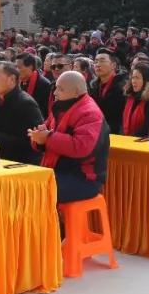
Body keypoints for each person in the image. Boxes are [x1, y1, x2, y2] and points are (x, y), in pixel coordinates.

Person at [29, 71, 110, 204]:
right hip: (58, 170)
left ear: (76, 92)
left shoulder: (89, 113)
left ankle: (56, 225)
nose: (55, 93)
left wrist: (48, 138)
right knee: (22, 184)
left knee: (34, 192)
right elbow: (46, 133)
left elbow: (82, 147)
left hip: (83, 178)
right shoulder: (61, 106)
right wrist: (38, 138)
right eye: (55, 88)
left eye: (60, 89)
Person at [120, 62, 149, 136]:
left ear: (146, 80)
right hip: (128, 141)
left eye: (137, 78)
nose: (134, 81)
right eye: (133, 77)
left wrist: (131, 139)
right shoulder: (130, 97)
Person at [89, 51, 127, 134]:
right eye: (96, 61)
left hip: (115, 133)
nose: (97, 64)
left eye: (102, 61)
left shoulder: (123, 87)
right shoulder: (93, 86)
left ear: (113, 65)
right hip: (95, 130)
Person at [18, 53, 52, 117]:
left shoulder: (44, 85)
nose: (16, 70)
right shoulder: (17, 81)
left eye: (19, 67)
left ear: (30, 67)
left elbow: (44, 112)